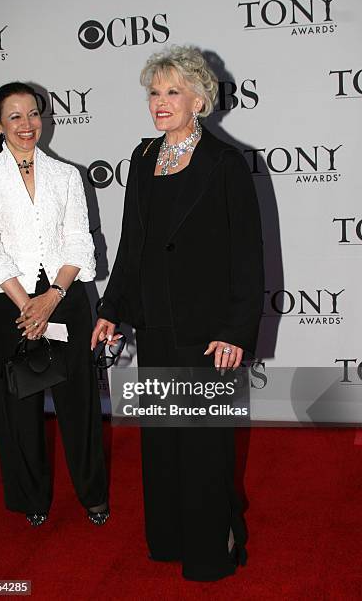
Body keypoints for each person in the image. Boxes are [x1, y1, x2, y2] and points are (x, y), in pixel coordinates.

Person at [91, 46, 264, 580]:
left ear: (199, 100)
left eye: (171, 92)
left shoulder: (225, 163)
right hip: (157, 324)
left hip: (209, 331)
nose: (159, 103)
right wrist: (112, 308)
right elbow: (132, 243)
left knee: (206, 447)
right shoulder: (144, 158)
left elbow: (247, 255)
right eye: (153, 92)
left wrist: (236, 329)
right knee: (164, 440)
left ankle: (214, 549)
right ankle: (168, 540)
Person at [0, 82, 108, 527]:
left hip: (64, 298)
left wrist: (53, 298)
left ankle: (92, 494)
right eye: (15, 117)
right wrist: (28, 305)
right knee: (19, 409)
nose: (27, 125)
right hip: (11, 304)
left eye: (33, 114)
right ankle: (32, 497)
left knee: (79, 402)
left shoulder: (66, 175)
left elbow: (79, 244)